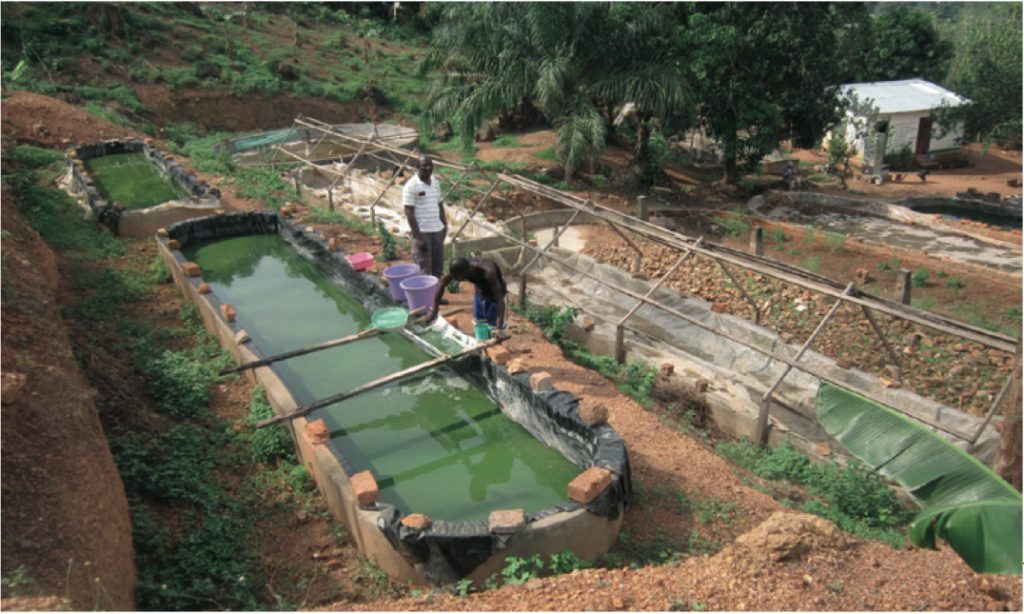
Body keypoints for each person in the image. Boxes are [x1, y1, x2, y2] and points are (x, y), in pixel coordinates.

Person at [428, 257, 508, 334]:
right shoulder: (459, 268)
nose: (458, 281)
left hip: (495, 299)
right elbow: (442, 283)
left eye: (459, 278)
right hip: (480, 295)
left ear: (467, 271)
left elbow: (500, 300)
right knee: (479, 325)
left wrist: (498, 328)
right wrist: (434, 312)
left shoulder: (488, 272)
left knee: (493, 331)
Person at [403, 154, 447, 283]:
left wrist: (444, 225)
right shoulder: (411, 186)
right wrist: (419, 238)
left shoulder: (435, 183)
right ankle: (426, 300)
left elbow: (440, 205)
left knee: (437, 267)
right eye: (424, 166)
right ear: (418, 167)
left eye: (430, 165)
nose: (428, 168)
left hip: (437, 231)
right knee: (424, 269)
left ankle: (436, 297)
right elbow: (409, 213)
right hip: (423, 233)